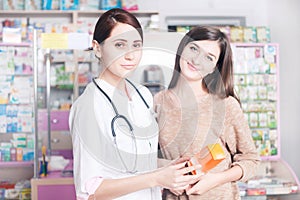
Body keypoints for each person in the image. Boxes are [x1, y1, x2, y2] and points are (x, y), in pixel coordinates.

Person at [69, 8, 201, 200]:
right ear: (97, 48)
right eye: (119, 45)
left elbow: (135, 162)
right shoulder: (88, 107)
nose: (130, 55)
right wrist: (157, 178)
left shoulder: (142, 95)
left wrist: (172, 168)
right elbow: (90, 191)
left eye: (136, 45)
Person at [154, 26, 261, 199]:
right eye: (194, 49)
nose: (196, 60)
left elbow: (251, 160)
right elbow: (145, 157)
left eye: (208, 58)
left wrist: (216, 179)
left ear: (214, 68)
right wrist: (166, 174)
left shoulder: (225, 105)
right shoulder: (159, 102)